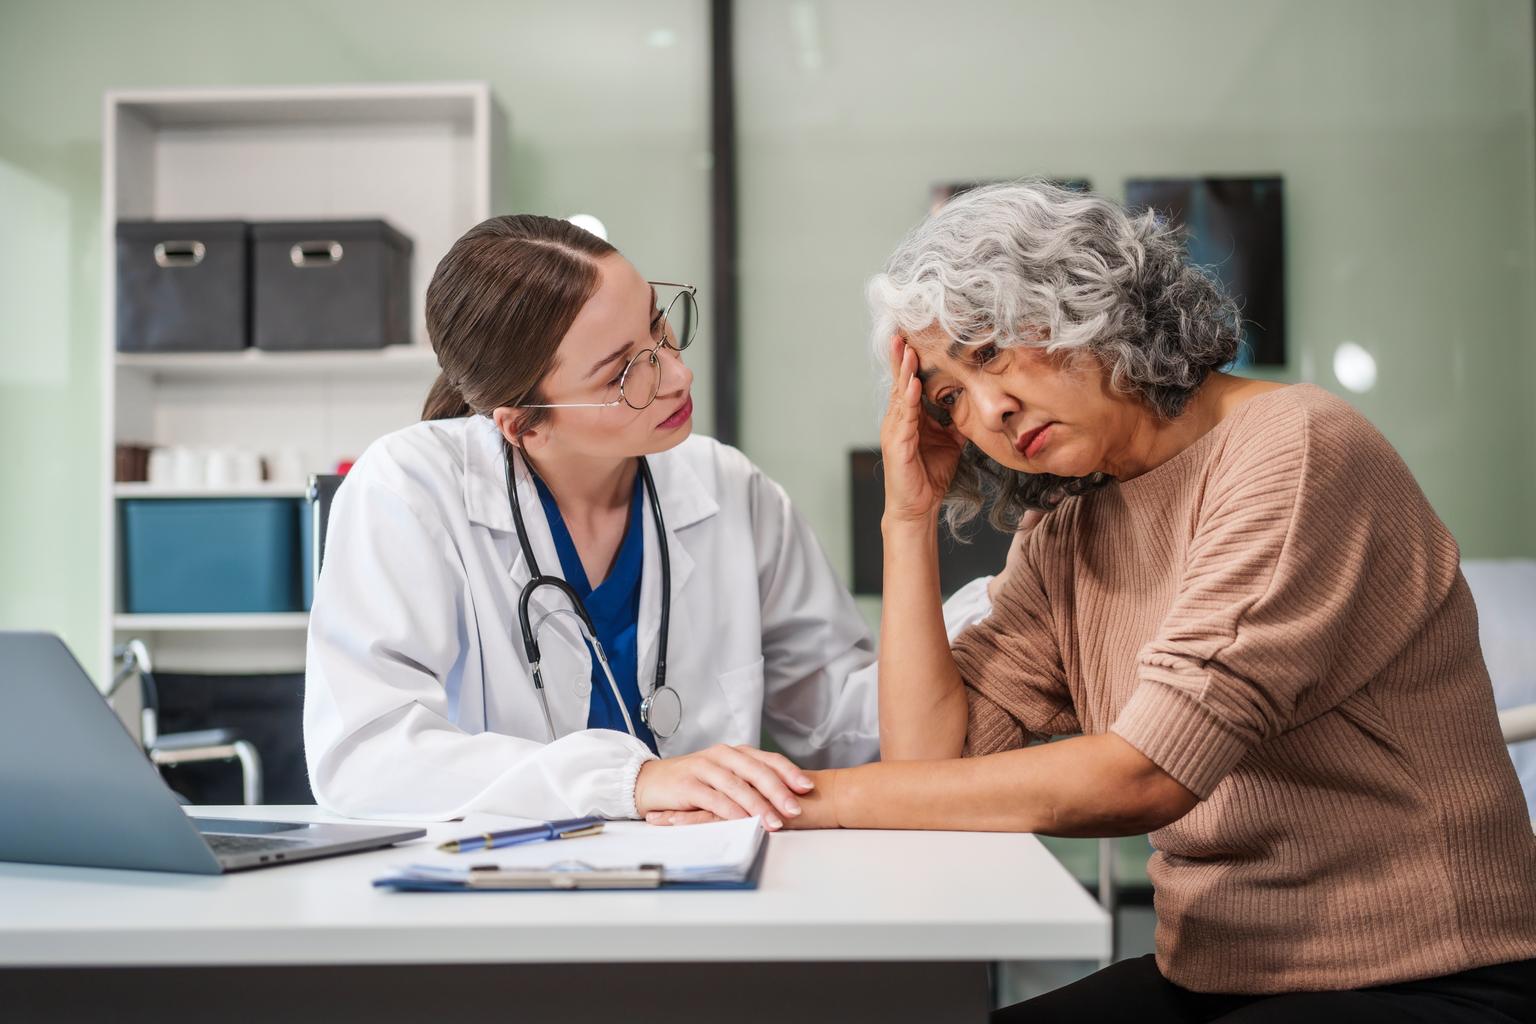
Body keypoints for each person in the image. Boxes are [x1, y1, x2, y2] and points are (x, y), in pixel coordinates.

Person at [665, 183, 1536, 1020]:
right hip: (1218, 971)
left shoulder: (1296, 447)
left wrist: (808, 798)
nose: (991, 410)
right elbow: (934, 768)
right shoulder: (1069, 530)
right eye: (948, 397)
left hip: (1431, 973)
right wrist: (907, 518)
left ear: (1087, 302)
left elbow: (1145, 774)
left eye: (990, 349)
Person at [303, 214, 993, 828]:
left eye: (660, 328)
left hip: (703, 899)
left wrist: (998, 597)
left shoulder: (729, 490)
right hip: (490, 909)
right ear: (523, 426)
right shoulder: (413, 488)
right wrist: (631, 781)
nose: (675, 376)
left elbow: (851, 729)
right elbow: (364, 757)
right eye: (620, 375)